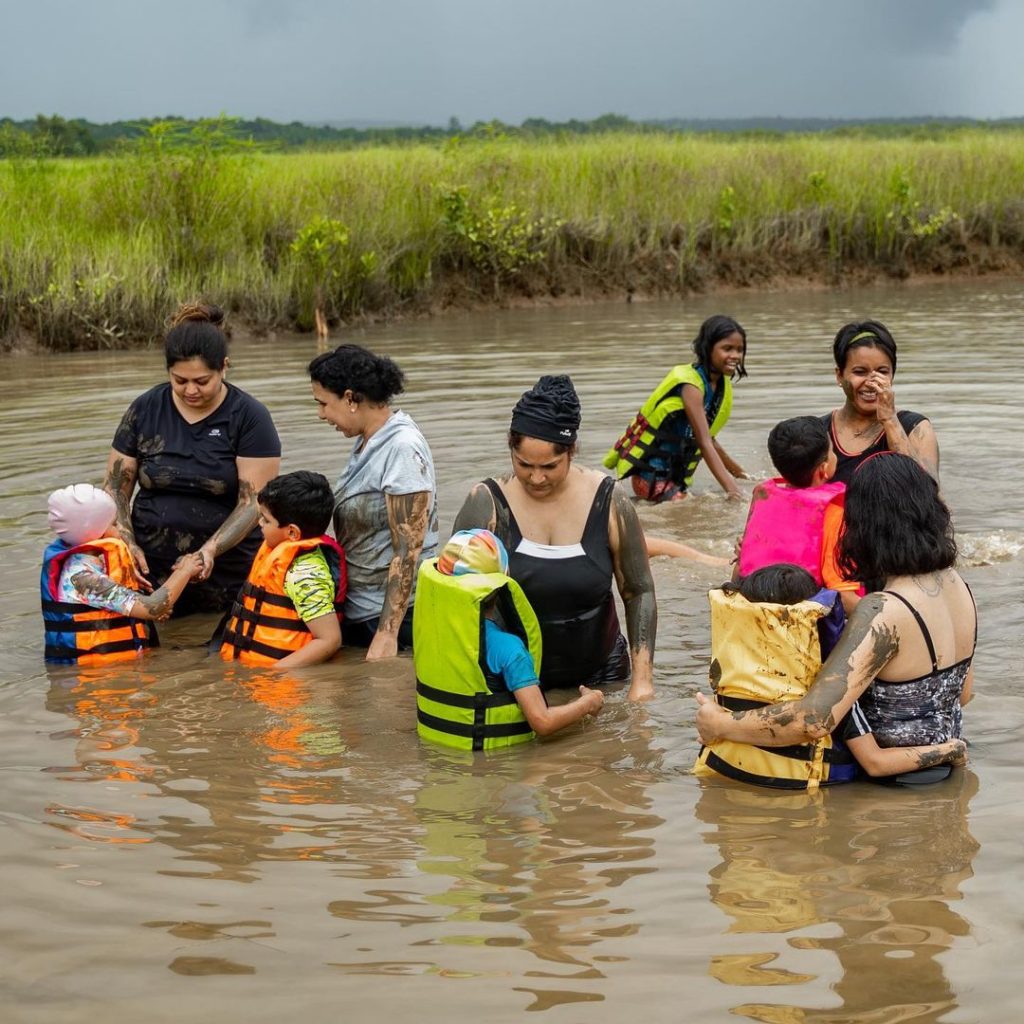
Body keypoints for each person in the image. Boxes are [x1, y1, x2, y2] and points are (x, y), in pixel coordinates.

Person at [696, 454, 973, 784]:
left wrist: (721, 724)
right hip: (942, 769)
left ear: (864, 526)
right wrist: (947, 748)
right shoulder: (957, 585)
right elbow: (963, 693)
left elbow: (812, 719)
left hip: (888, 787)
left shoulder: (883, 610)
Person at [453, 374, 657, 701]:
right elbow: (458, 598)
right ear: (511, 449)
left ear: (571, 450)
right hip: (515, 679)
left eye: (550, 466)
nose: (536, 478)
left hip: (602, 675)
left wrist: (642, 681)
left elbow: (639, 590)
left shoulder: (608, 500)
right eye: (524, 464)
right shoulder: (487, 502)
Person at [103, 302, 281, 615]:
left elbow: (253, 503)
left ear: (223, 367)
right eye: (179, 380)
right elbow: (116, 488)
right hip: (151, 571)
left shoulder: (250, 417)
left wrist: (209, 551)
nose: (190, 391)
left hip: (226, 571)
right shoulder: (145, 409)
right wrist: (128, 544)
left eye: (202, 381)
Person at [414, 529, 605, 750]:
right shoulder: (508, 649)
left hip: (436, 756)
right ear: (498, 588)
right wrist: (586, 704)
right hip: (493, 767)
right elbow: (542, 722)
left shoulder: (430, 634)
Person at [309, 343, 438, 660]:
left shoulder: (402, 448)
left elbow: (408, 550)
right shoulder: (369, 442)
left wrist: (386, 633)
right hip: (363, 609)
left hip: (398, 618)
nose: (321, 414)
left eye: (324, 404)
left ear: (351, 398)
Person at [42, 484, 202, 664]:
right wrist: (185, 571)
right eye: (114, 524)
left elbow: (129, 607)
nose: (119, 528)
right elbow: (153, 606)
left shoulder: (89, 563)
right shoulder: (82, 578)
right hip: (95, 678)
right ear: (95, 532)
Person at [603, 314, 749, 502]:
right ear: (708, 348)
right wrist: (735, 493)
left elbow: (710, 441)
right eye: (727, 348)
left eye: (740, 350)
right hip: (650, 477)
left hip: (675, 479)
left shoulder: (719, 384)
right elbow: (704, 443)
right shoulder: (691, 386)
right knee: (695, 513)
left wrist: (743, 477)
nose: (735, 356)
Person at [221, 471, 345, 670]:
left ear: (292, 532)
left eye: (266, 520)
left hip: (285, 689)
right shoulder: (276, 554)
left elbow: (329, 640)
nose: (260, 523)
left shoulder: (305, 574)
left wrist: (274, 674)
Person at [736, 415, 860, 609]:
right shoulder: (836, 510)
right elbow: (844, 597)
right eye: (832, 451)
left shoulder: (763, 495)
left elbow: (739, 574)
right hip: (804, 621)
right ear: (824, 468)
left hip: (755, 609)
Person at [822, 319, 939, 484]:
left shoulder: (915, 428)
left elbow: (928, 494)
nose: (872, 382)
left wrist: (890, 420)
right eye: (860, 372)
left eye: (882, 372)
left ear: (892, 375)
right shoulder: (819, 433)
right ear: (839, 375)